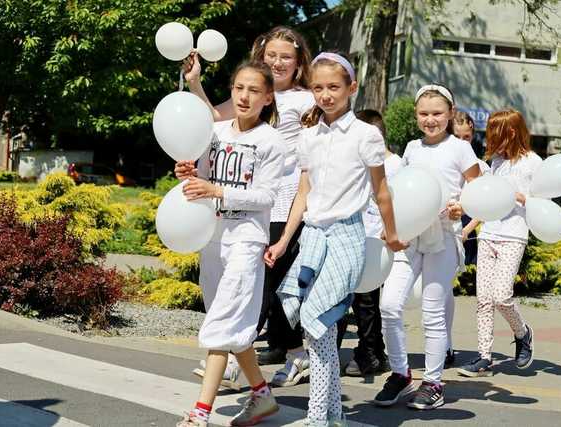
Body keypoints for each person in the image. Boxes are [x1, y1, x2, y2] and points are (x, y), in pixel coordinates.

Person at [265, 52, 407, 426]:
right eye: (318, 88)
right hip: (312, 237)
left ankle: (318, 419)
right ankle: (332, 416)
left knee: (318, 325)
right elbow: (302, 194)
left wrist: (392, 235)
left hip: (347, 237)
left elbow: (382, 192)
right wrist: (282, 243)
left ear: (351, 88)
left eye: (334, 87)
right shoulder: (309, 138)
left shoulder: (366, 135)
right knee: (317, 333)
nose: (326, 95)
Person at [184, 26, 315, 388]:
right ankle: (273, 363)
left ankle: (232, 359)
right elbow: (216, 120)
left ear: (298, 62)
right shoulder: (250, 90)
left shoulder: (306, 100)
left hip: (283, 196)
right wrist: (195, 83)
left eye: (285, 56)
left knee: (266, 282)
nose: (277, 61)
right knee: (261, 285)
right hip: (241, 195)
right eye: (271, 54)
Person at [174, 61, 284, 427]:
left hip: (247, 241)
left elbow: (267, 196)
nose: (244, 96)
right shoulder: (216, 132)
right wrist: (190, 174)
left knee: (221, 323)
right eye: (239, 88)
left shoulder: (271, 140)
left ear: (267, 98)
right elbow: (203, 177)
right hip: (213, 237)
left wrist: (218, 189)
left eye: (254, 91)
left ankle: (200, 413)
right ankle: (262, 396)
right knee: (232, 323)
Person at [375, 84, 480, 410]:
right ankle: (400, 373)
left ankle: (433, 382)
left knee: (433, 311)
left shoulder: (460, 149)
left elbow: (479, 187)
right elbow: (402, 191)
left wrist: (462, 206)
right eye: (424, 114)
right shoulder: (411, 147)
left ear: (450, 114)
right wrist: (388, 227)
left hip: (443, 236)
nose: (430, 120)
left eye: (437, 113)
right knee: (389, 305)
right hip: (409, 236)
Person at [457, 109, 541, 378]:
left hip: (514, 235)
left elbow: (543, 203)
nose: (492, 139)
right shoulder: (496, 164)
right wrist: (469, 227)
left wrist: (519, 196)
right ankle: (484, 357)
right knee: (483, 299)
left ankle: (523, 333)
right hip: (489, 235)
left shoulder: (533, 163)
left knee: (502, 296)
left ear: (512, 132)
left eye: (497, 133)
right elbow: (489, 201)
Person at [335, 109, 397, 377]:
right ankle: (329, 353)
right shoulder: (351, 162)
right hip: (347, 237)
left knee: (367, 303)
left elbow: (398, 201)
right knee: (337, 300)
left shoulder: (395, 165)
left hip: (375, 243)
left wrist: (390, 230)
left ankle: (370, 353)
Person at [453, 111, 489, 266]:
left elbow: (486, 206)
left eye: (466, 137)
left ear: (472, 135)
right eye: (457, 137)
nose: (462, 142)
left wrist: (467, 230)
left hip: (466, 228)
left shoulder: (482, 167)